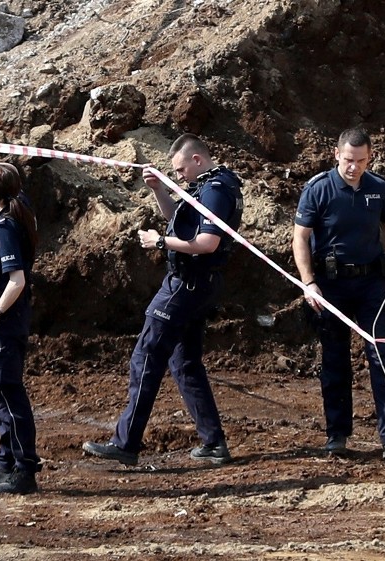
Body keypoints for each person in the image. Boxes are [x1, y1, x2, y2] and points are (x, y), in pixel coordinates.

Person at [83, 133, 244, 466]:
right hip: (197, 284)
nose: (180, 176)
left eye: (181, 169)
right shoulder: (213, 185)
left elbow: (207, 242)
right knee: (183, 362)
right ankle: (214, 443)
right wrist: (158, 189)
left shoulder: (214, 190)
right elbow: (179, 220)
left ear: (197, 160)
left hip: (186, 285)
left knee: (146, 356)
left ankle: (125, 443)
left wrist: (161, 243)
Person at [292, 127, 385, 459]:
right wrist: (309, 283)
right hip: (330, 286)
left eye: (361, 161)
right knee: (335, 360)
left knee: (381, 356)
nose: (354, 167)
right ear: (336, 155)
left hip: (371, 286)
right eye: (348, 160)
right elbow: (301, 238)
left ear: (370, 157)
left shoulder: (378, 189)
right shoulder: (318, 190)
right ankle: (337, 435)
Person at [0, 162, 41, 494]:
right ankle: (6, 463)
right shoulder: (20, 206)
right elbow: (13, 185)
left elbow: (17, 280)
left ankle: (24, 469)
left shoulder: (5, 226)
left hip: (5, 321)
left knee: (5, 394)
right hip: (8, 320)